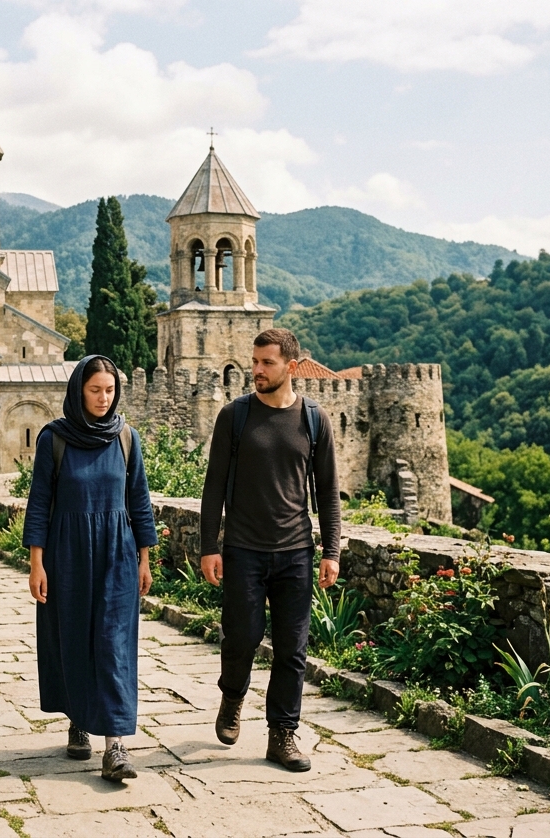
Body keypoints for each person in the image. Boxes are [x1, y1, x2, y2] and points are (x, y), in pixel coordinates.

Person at [198, 328, 341, 772]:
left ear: (291, 367)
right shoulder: (234, 417)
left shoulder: (314, 420)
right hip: (243, 548)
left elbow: (328, 491)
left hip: (296, 550)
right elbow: (214, 487)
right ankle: (233, 697)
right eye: (254, 362)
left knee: (292, 649)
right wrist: (208, 547)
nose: (256, 370)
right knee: (241, 638)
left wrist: (331, 550)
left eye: (266, 363)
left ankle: (282, 734)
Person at [22, 355, 157, 782]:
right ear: (79, 390)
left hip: (117, 554)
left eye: (110, 390)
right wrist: (36, 564)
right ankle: (78, 720)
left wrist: (145, 558)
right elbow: (40, 502)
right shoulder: (54, 439)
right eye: (95, 389)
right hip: (67, 554)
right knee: (73, 638)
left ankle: (116, 747)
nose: (103, 398)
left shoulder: (126, 439)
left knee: (114, 646)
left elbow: (139, 500)